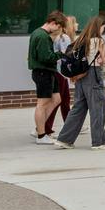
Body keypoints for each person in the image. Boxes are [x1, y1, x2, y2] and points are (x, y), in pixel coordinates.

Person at [53, 13, 105, 150]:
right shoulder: (99, 41)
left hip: (80, 76)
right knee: (98, 108)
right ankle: (99, 142)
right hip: (93, 75)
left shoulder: (81, 39)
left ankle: (64, 139)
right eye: (103, 27)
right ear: (100, 27)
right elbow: (104, 60)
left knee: (78, 108)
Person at [29, 11, 66, 142]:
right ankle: (41, 135)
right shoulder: (43, 36)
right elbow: (46, 57)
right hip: (43, 72)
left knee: (57, 99)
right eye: (58, 27)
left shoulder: (38, 33)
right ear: (53, 23)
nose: (58, 30)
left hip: (47, 72)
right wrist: (61, 54)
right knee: (42, 103)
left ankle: (39, 128)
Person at [53, 14, 77, 128]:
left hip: (60, 72)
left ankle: (69, 125)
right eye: (75, 22)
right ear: (70, 25)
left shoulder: (64, 37)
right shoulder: (64, 38)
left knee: (64, 100)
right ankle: (41, 127)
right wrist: (72, 74)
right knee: (59, 101)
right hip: (60, 73)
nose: (77, 25)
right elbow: (66, 57)